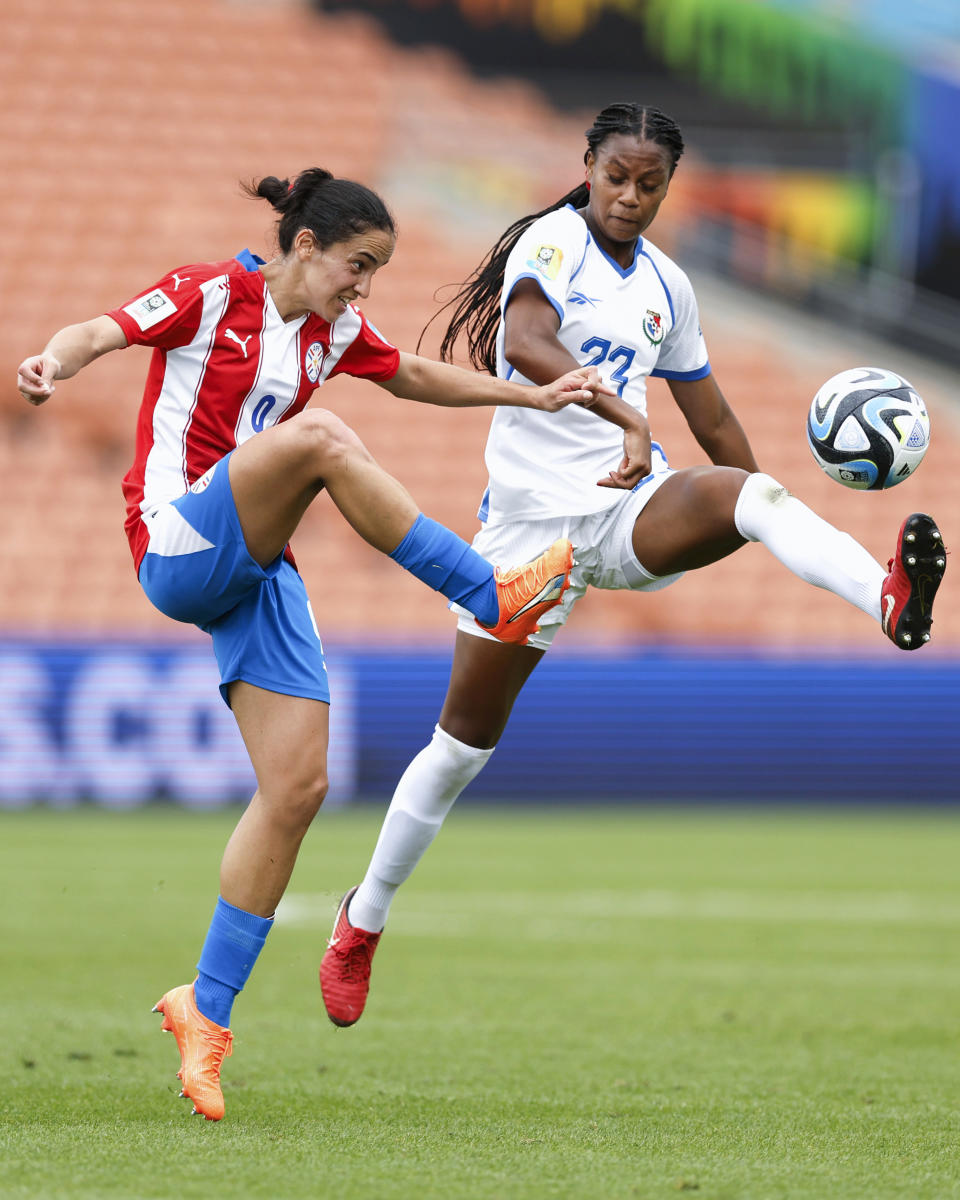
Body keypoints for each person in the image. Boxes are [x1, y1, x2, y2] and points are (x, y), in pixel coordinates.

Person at [318, 102, 948, 1028]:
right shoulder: (551, 242)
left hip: (628, 510)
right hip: (530, 536)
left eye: (650, 184)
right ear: (590, 165)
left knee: (748, 492)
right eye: (617, 176)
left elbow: (713, 417)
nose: (630, 196)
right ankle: (361, 920)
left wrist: (773, 512)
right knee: (461, 747)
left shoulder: (668, 287)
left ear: (667, 187)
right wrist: (622, 411)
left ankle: (887, 598)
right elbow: (526, 345)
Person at [16, 168, 616, 1120]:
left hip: (254, 561)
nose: (362, 287)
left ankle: (203, 1016)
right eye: (357, 265)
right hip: (177, 538)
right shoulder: (213, 292)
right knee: (325, 437)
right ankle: (486, 591)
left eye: (374, 271)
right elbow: (101, 330)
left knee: (298, 786)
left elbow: (411, 374)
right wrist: (55, 363)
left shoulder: (331, 331)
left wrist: (530, 398)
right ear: (305, 246)